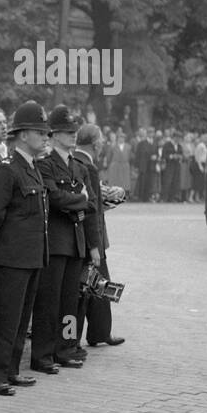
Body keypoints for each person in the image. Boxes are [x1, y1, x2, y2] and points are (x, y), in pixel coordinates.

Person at [0, 101, 51, 396]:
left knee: (22, 318)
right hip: (12, 256)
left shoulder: (32, 168)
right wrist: (7, 240)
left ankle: (10, 369)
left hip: (31, 254)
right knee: (6, 318)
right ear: (23, 135)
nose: (46, 137)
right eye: (40, 132)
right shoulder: (8, 170)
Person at [31, 105, 98, 374]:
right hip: (57, 241)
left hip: (75, 241)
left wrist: (78, 201)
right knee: (49, 300)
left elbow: (92, 203)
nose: (73, 135)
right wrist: (79, 199)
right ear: (54, 135)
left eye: (74, 131)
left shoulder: (77, 166)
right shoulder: (45, 165)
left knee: (70, 299)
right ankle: (43, 353)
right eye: (67, 131)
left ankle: (65, 347)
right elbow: (55, 200)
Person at [72, 123, 125, 349]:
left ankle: (98, 332)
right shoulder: (88, 167)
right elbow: (92, 209)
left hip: (80, 237)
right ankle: (99, 332)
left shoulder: (73, 161)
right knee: (99, 286)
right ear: (95, 144)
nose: (103, 144)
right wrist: (95, 245)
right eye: (101, 140)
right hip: (92, 239)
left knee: (94, 286)